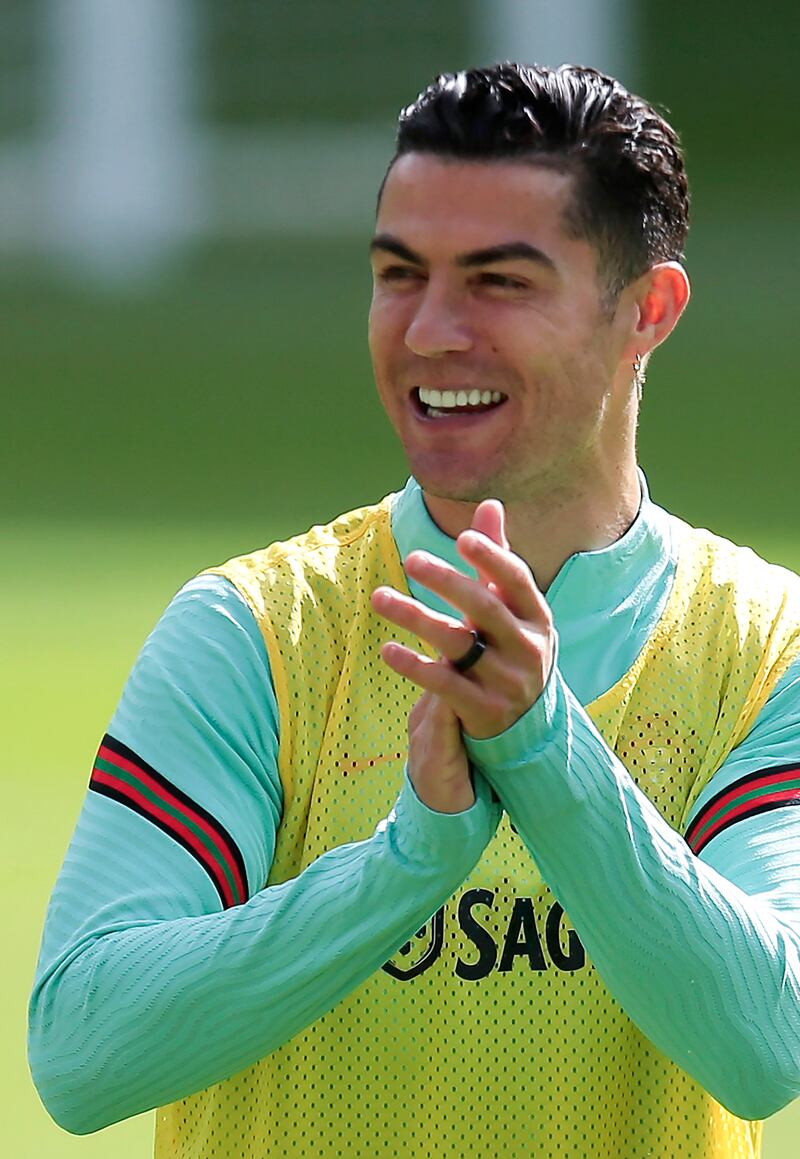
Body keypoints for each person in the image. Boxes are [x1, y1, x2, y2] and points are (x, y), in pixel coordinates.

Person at [29, 63, 800, 1159]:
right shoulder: (253, 633)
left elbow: (763, 1043)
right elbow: (82, 1053)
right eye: (400, 274)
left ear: (645, 311)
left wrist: (543, 751)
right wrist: (407, 863)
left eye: (498, 281)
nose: (431, 331)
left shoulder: (763, 651)